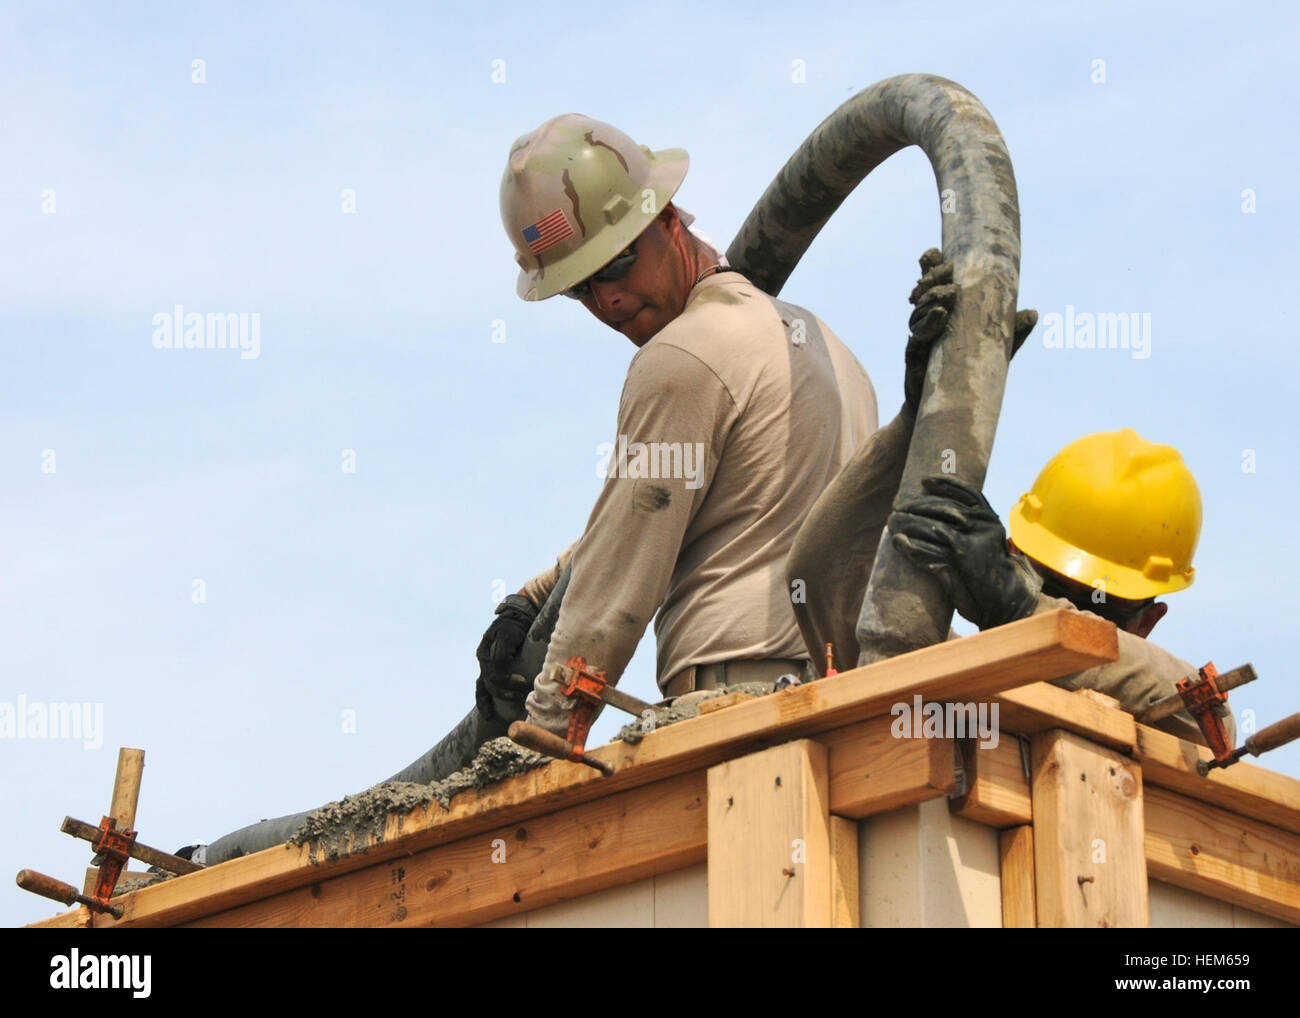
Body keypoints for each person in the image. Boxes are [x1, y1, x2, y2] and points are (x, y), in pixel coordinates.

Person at [476, 112, 880, 736]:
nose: (606, 299)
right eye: (580, 288)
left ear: (667, 219)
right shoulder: (825, 347)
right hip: (853, 703)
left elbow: (620, 577)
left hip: (740, 713)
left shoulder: (680, 358)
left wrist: (541, 735)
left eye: (615, 265)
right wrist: (535, 596)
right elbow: (681, 501)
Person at [885, 429, 1232, 744]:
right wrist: (908, 430)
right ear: (1011, 555)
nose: (1071, 612)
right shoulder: (943, 672)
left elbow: (1211, 719)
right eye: (1050, 588)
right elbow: (850, 607)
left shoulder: (1165, 715)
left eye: (1100, 606)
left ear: (1146, 622)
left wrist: (1024, 611)